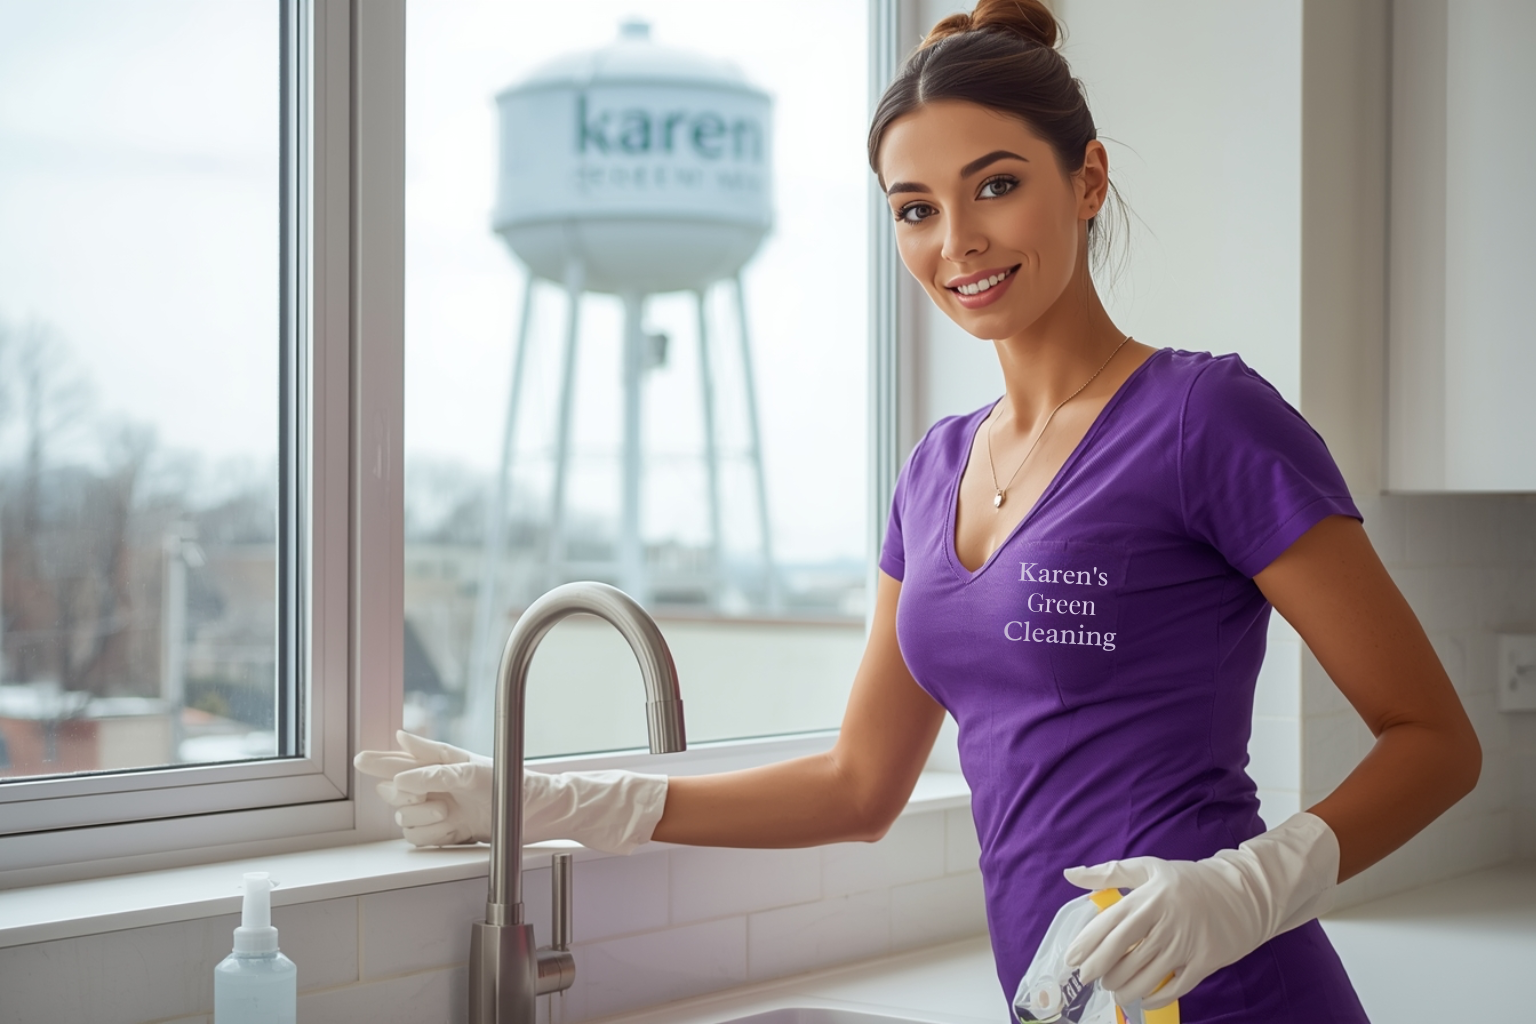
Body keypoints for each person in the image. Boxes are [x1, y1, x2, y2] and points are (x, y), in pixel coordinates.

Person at [356, 2, 1482, 1019]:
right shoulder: (933, 471)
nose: (958, 243)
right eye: (915, 208)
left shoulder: (1205, 418)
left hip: (1235, 995)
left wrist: (1246, 889)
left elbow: (1437, 740)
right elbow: (858, 785)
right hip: (1057, 1006)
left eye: (997, 185)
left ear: (1085, 181)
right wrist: (554, 797)